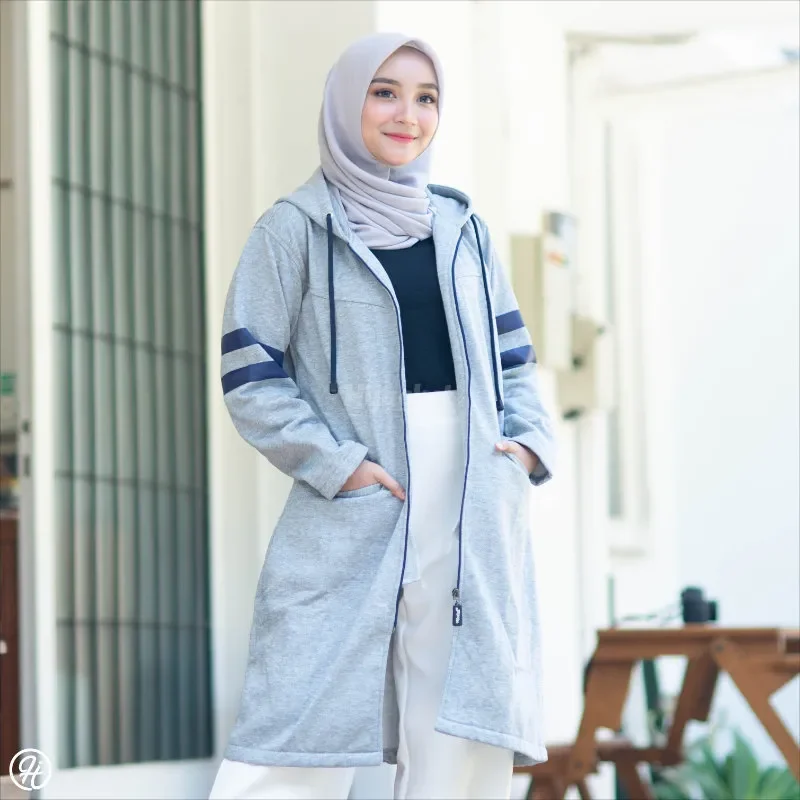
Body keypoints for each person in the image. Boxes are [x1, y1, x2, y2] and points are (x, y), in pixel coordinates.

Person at [210, 31, 556, 800]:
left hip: (471, 485)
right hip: (361, 486)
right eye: (385, 92)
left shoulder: (464, 231)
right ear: (346, 102)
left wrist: (526, 449)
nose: (408, 114)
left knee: (459, 708)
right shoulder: (293, 229)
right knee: (302, 695)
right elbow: (250, 374)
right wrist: (337, 466)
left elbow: (516, 362)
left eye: (426, 98)